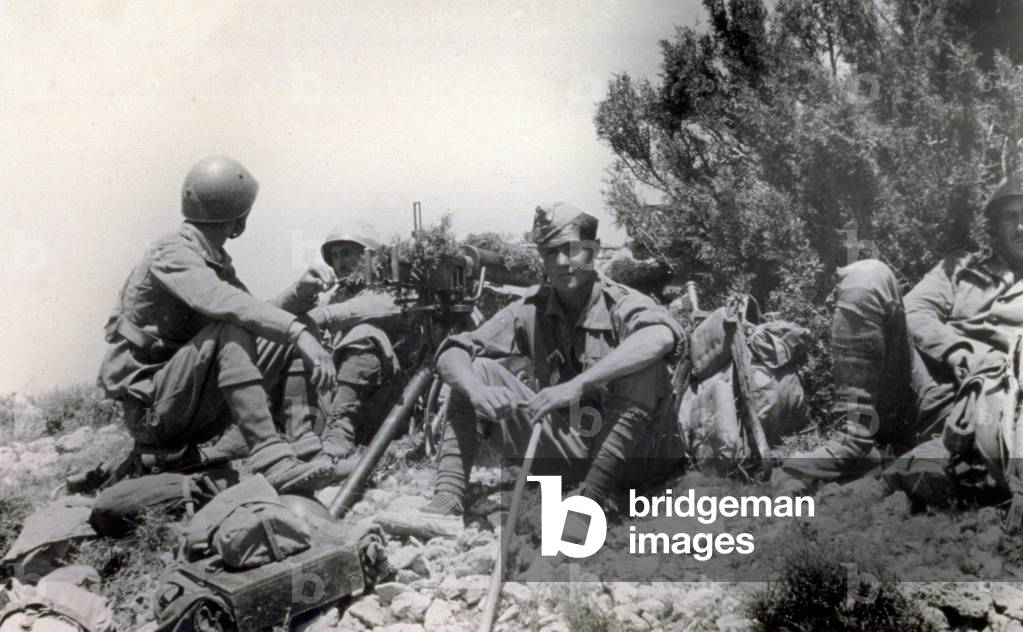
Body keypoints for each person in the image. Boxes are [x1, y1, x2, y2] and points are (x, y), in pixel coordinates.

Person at [416, 203, 686, 521]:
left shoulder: (621, 302)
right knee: (474, 371)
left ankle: (591, 504)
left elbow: (659, 337)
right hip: (579, 449)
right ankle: (448, 495)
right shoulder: (533, 307)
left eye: (571, 249)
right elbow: (453, 351)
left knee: (643, 365)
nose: (561, 262)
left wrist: (579, 384)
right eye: (550, 252)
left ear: (594, 250)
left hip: (643, 457)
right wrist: (477, 392)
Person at [98, 155, 341, 494]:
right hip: (151, 415)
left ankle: (303, 450)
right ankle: (272, 461)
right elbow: (226, 304)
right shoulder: (171, 252)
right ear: (240, 217)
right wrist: (297, 333)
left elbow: (255, 312)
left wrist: (300, 295)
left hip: (183, 404)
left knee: (292, 325)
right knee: (240, 329)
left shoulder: (210, 257)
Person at [783, 172, 1023, 484]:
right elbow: (915, 310)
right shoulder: (963, 268)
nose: (1020, 227)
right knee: (868, 276)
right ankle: (855, 440)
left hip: (984, 413)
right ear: (996, 226)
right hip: (914, 388)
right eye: (1010, 217)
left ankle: (933, 462)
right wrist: (958, 351)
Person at [315, 226, 410, 457]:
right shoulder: (335, 296)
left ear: (370, 257)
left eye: (347, 253)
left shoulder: (389, 290)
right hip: (330, 395)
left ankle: (340, 431)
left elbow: (382, 306)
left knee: (365, 332)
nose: (340, 262)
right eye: (335, 256)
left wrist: (325, 315)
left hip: (385, 401)